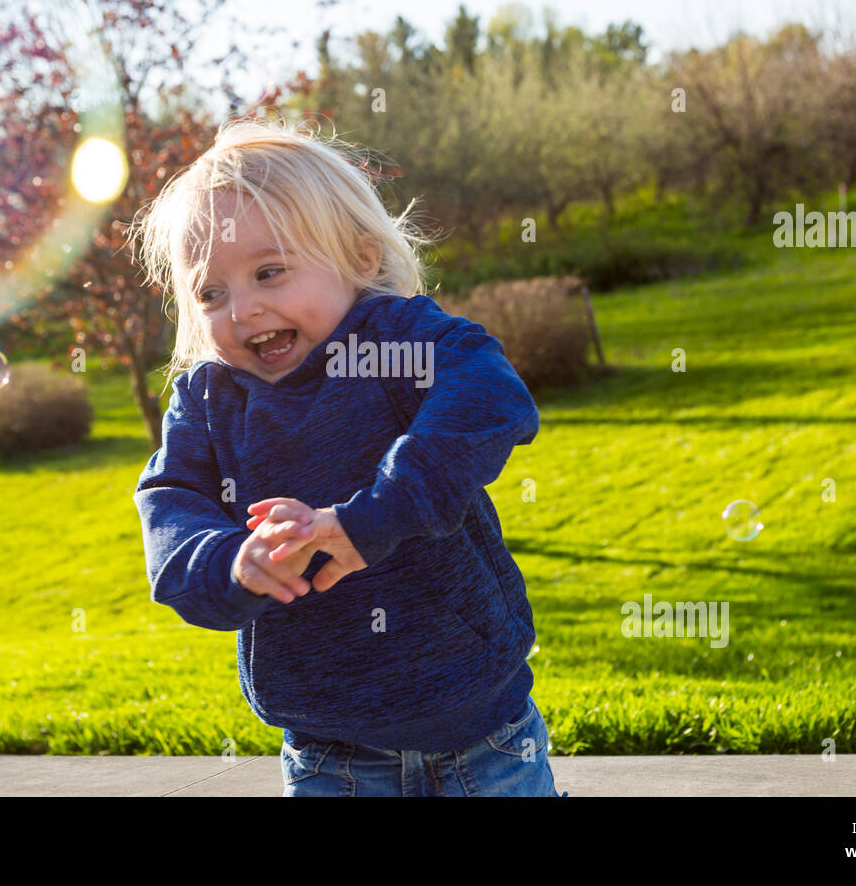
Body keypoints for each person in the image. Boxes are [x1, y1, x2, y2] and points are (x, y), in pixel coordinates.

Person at [130, 115, 565, 796]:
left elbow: (489, 393)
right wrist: (231, 562)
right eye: (210, 293)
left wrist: (378, 515)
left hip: (484, 729)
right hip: (330, 752)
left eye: (269, 272)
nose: (241, 310)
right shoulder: (208, 401)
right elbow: (170, 509)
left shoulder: (391, 340)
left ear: (361, 261)